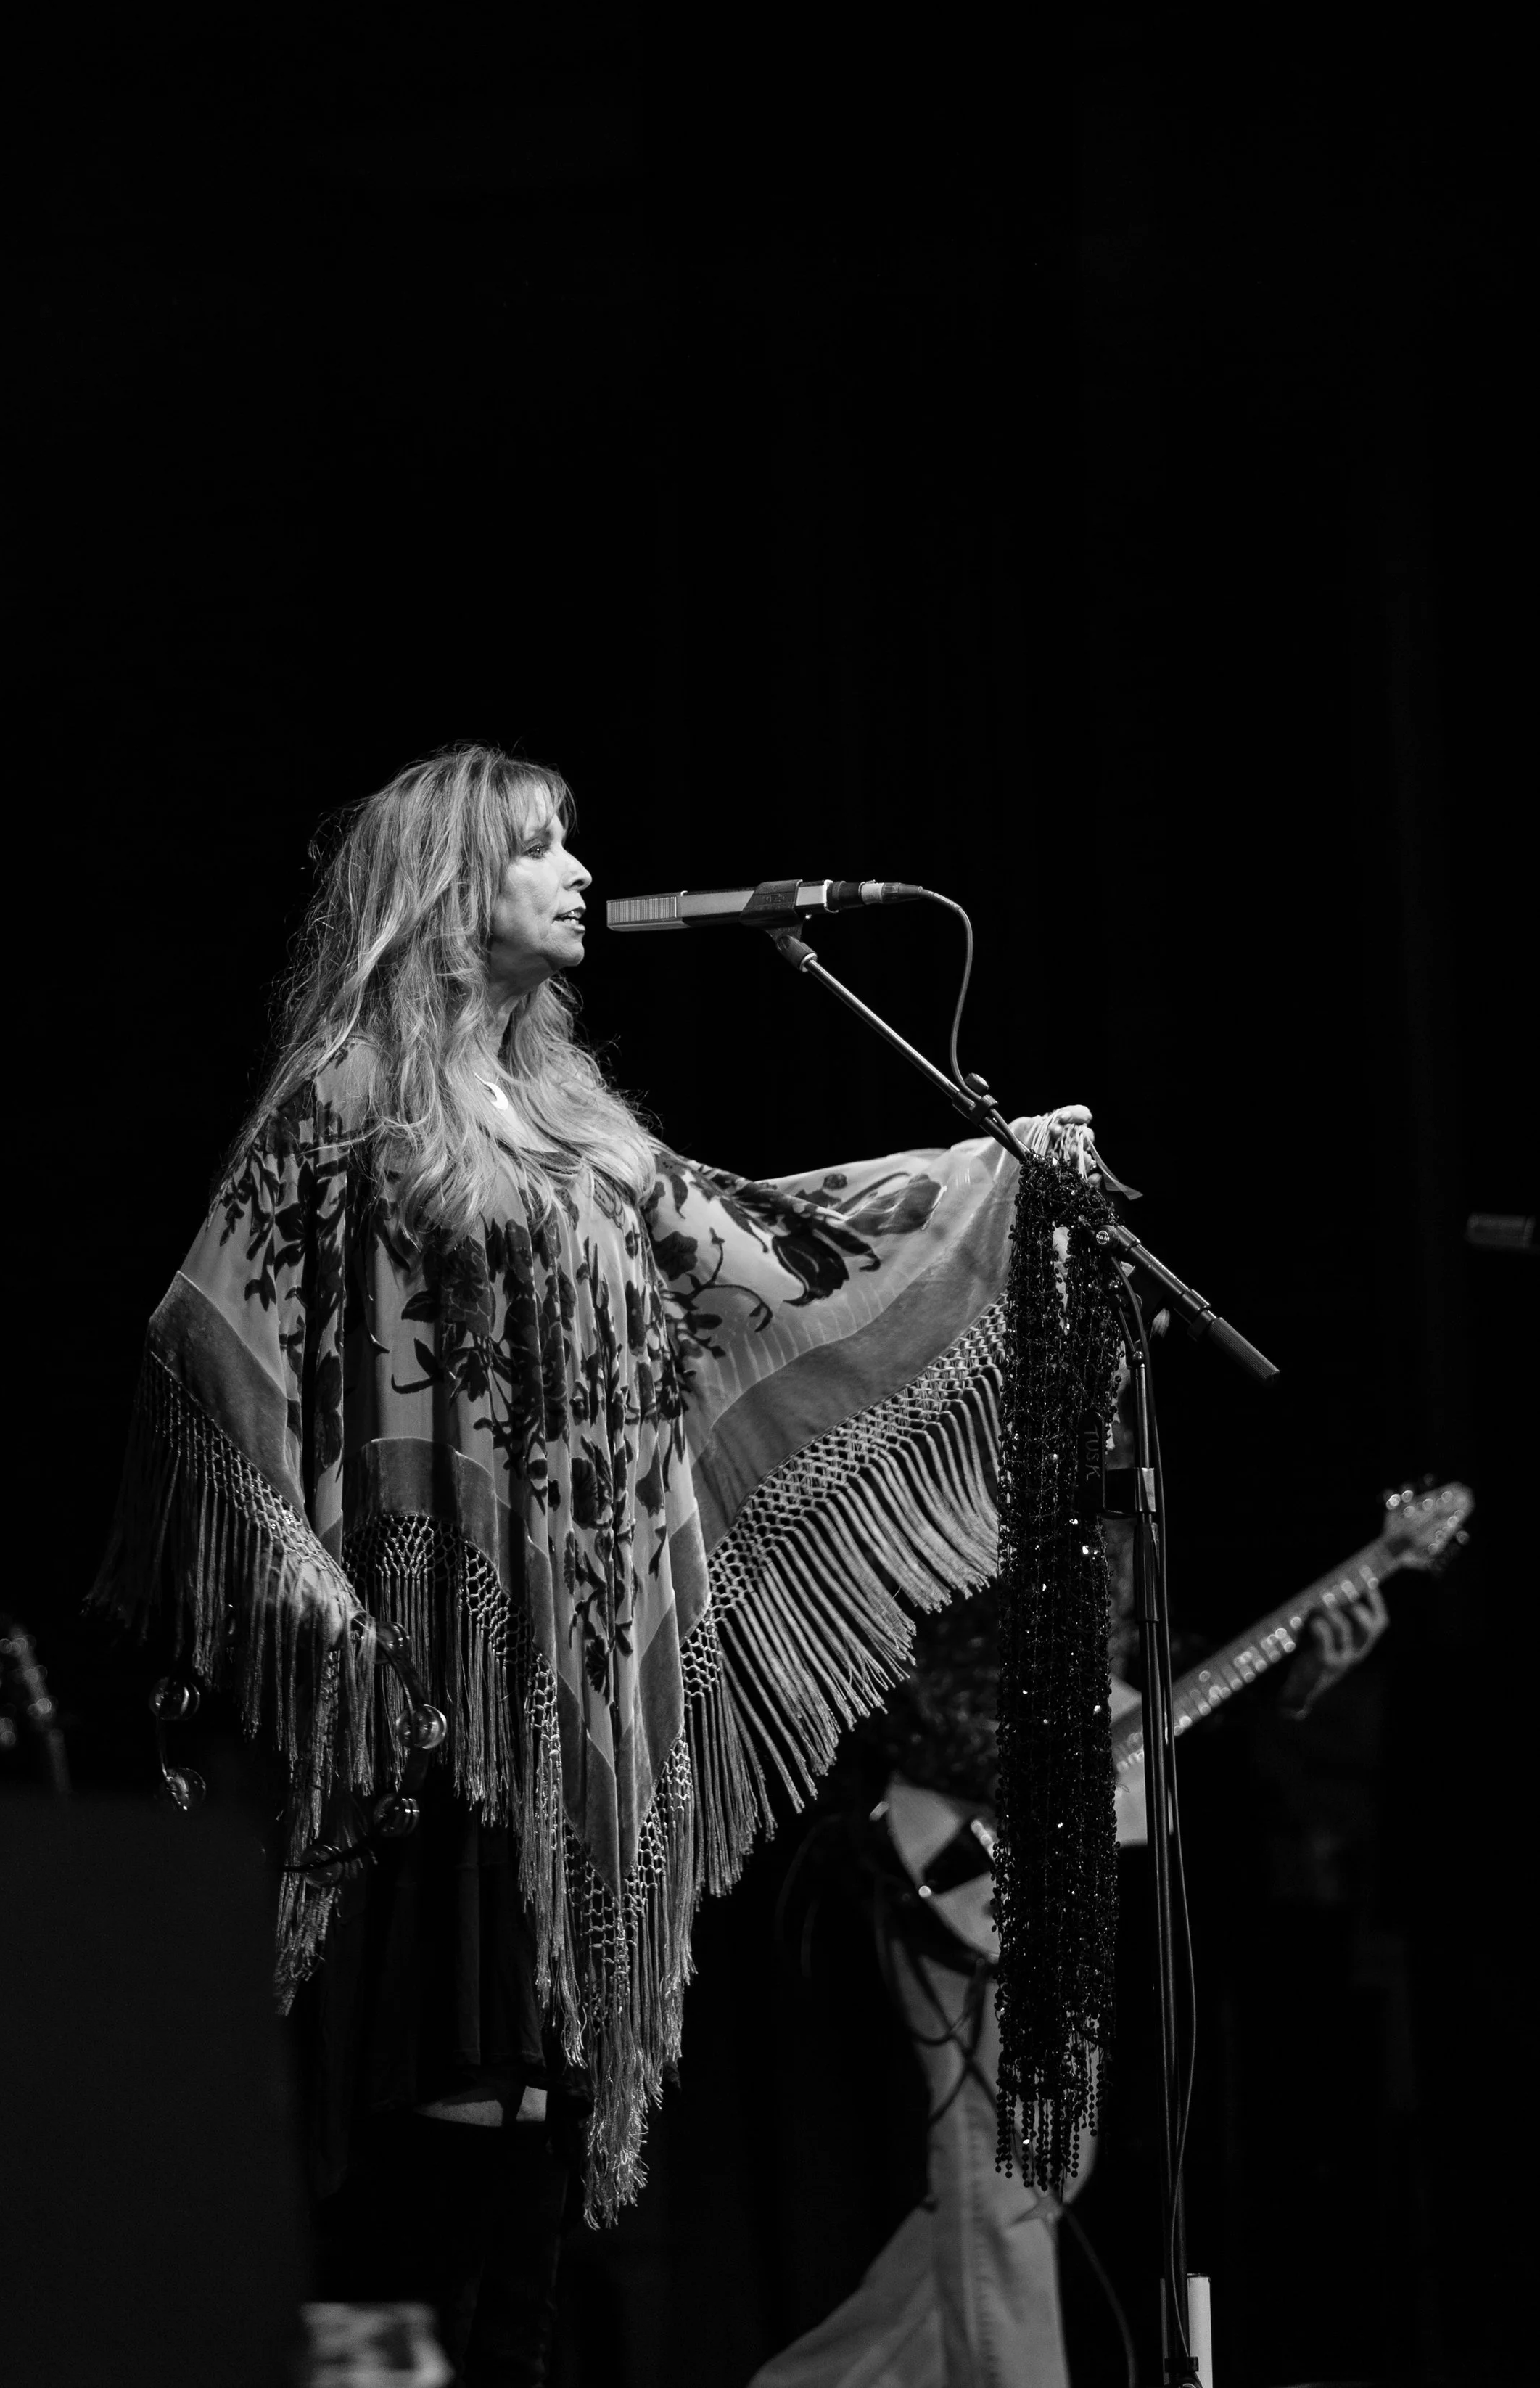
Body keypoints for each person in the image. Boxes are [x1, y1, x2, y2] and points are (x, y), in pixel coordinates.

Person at [92, 742, 1092, 2384]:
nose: (577, 874)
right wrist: (333, 1621)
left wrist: (997, 1175)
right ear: (443, 889)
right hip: (414, 1721)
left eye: (574, 844)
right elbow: (208, 1348)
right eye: (538, 848)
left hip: (570, 1724)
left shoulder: (577, 1118)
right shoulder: (348, 1099)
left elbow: (771, 1244)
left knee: (536, 2197)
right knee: (417, 2186)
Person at [748, 1519, 1389, 2388]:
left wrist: (1296, 1670)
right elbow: (880, 1636)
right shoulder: (969, 1421)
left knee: (1032, 2175)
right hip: (963, 1833)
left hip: (1055, 1860)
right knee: (1011, 2179)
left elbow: (1137, 1678)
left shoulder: (1116, 1452)